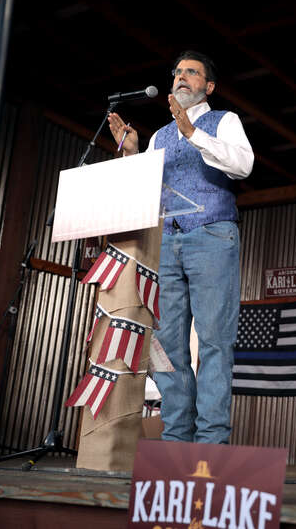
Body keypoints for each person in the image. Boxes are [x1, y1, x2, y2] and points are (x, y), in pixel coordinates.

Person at [107, 50, 253, 444]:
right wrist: (132, 154)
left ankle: (211, 443)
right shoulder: (159, 136)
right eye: (177, 72)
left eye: (192, 72)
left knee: (214, 341)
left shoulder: (225, 121)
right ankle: (176, 440)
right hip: (167, 241)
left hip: (212, 236)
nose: (182, 77)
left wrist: (193, 133)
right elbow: (146, 191)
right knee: (168, 344)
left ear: (209, 86)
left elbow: (243, 165)